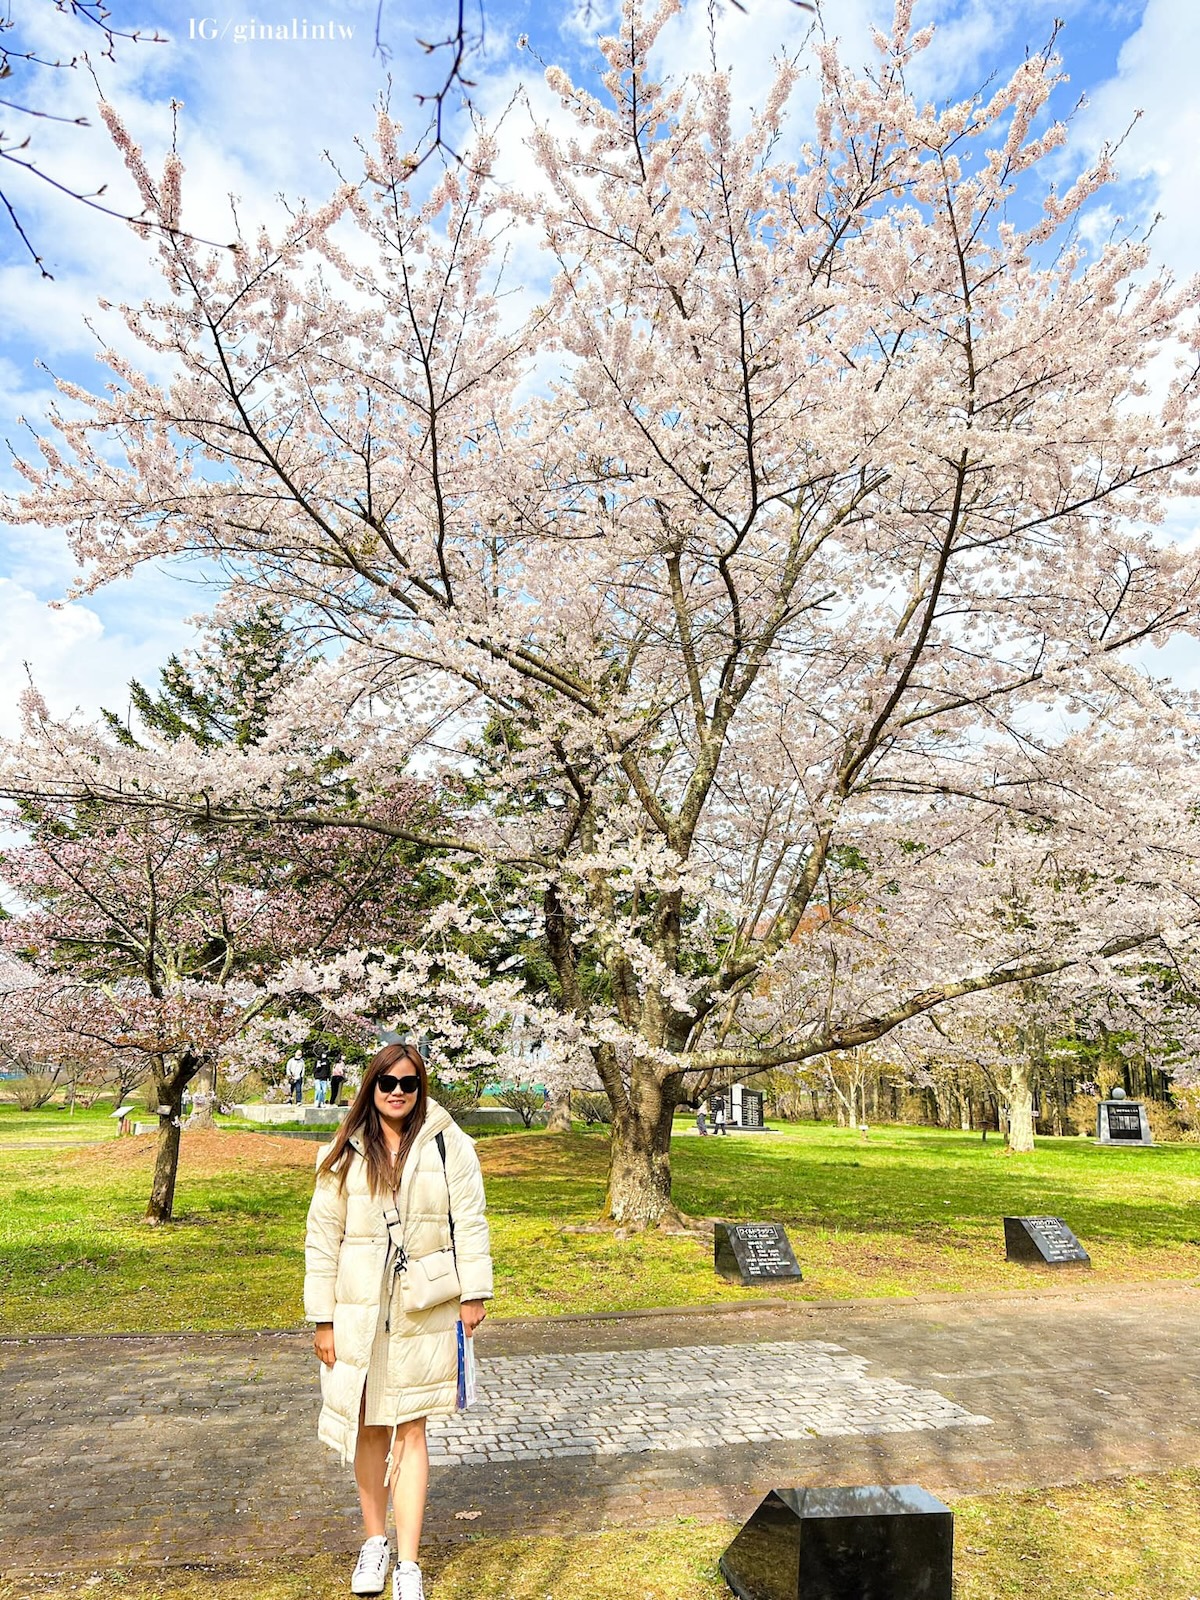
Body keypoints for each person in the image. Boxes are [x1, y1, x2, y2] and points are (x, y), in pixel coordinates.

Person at [305, 1043, 492, 1600]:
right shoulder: (342, 1152)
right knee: (367, 1425)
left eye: (408, 1083)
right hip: (358, 1309)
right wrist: (322, 1320)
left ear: (420, 1088)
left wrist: (475, 1293)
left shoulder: (448, 1143)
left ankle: (407, 1562)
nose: (397, 1093)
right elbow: (321, 1241)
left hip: (423, 1308)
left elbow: (471, 1220)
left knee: (411, 1428)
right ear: (371, 1086)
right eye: (387, 1082)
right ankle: (374, 1542)